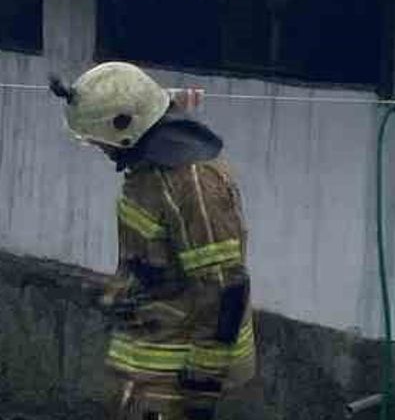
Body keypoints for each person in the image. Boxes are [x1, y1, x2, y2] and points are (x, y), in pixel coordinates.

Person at [49, 62, 255, 420]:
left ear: (124, 125)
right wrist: (120, 290)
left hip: (178, 378)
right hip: (148, 366)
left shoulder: (192, 181)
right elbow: (154, 258)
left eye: (97, 139)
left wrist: (202, 384)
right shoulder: (150, 171)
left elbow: (225, 287)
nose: (98, 147)